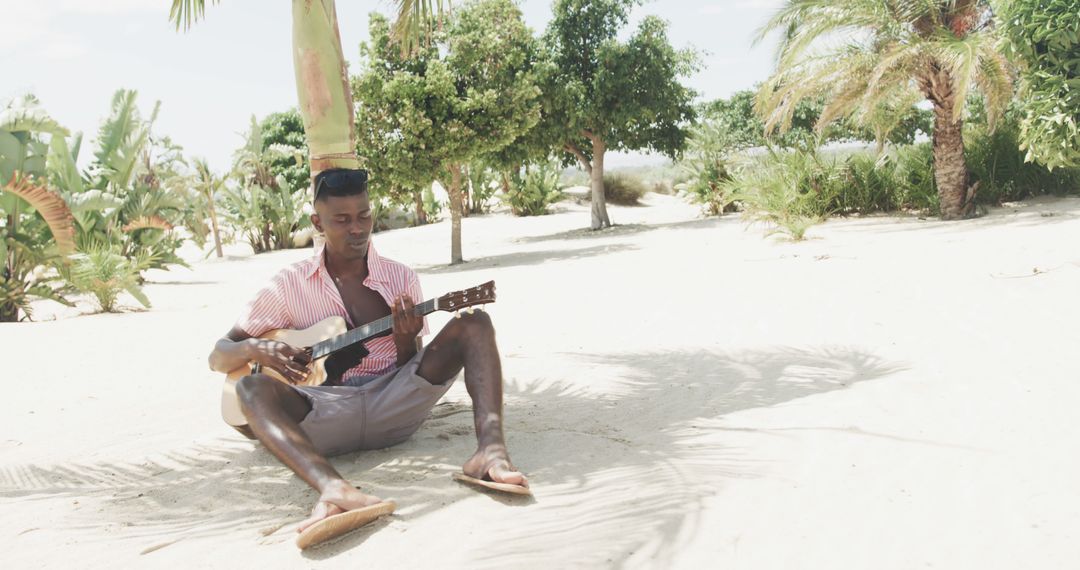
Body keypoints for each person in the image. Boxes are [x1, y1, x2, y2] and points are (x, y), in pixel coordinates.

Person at [207, 168, 527, 545]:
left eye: (364, 216)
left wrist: (406, 342)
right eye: (341, 220)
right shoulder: (287, 285)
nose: (357, 228)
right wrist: (256, 348)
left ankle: (489, 455)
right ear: (317, 222)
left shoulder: (399, 277)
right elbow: (219, 356)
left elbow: (413, 369)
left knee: (476, 323)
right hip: (322, 413)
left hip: (392, 403)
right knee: (249, 388)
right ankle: (335, 490)